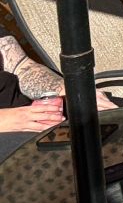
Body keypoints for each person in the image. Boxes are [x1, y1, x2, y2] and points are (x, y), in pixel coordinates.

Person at [1, 32, 116, 160]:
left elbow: (21, 66)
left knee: (111, 124)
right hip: (10, 136)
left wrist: (67, 91)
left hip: (32, 114)